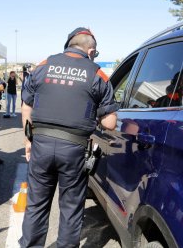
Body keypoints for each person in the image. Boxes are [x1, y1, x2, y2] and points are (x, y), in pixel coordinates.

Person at [19, 27, 118, 248]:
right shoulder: (97, 74)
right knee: (71, 208)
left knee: (36, 205)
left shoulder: (43, 65)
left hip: (41, 146)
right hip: (74, 150)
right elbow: (110, 123)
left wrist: (28, 141)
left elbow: (26, 105)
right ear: (90, 50)